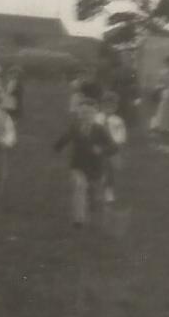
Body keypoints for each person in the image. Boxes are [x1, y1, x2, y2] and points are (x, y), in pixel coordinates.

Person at [54, 98, 117, 229]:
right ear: (78, 114)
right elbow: (65, 137)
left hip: (95, 168)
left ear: (95, 114)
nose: (86, 116)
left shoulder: (100, 130)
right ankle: (78, 220)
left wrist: (101, 149)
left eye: (89, 113)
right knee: (79, 186)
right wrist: (58, 147)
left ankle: (93, 206)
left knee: (93, 195)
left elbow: (114, 147)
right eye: (82, 113)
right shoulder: (75, 127)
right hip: (78, 166)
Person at [98, 91, 127, 204]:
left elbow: (120, 137)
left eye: (111, 106)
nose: (108, 108)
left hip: (111, 148)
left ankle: (108, 191)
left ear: (116, 107)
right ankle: (97, 191)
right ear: (101, 106)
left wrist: (116, 147)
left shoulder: (118, 121)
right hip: (97, 147)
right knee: (97, 169)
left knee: (109, 170)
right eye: (105, 106)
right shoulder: (97, 117)